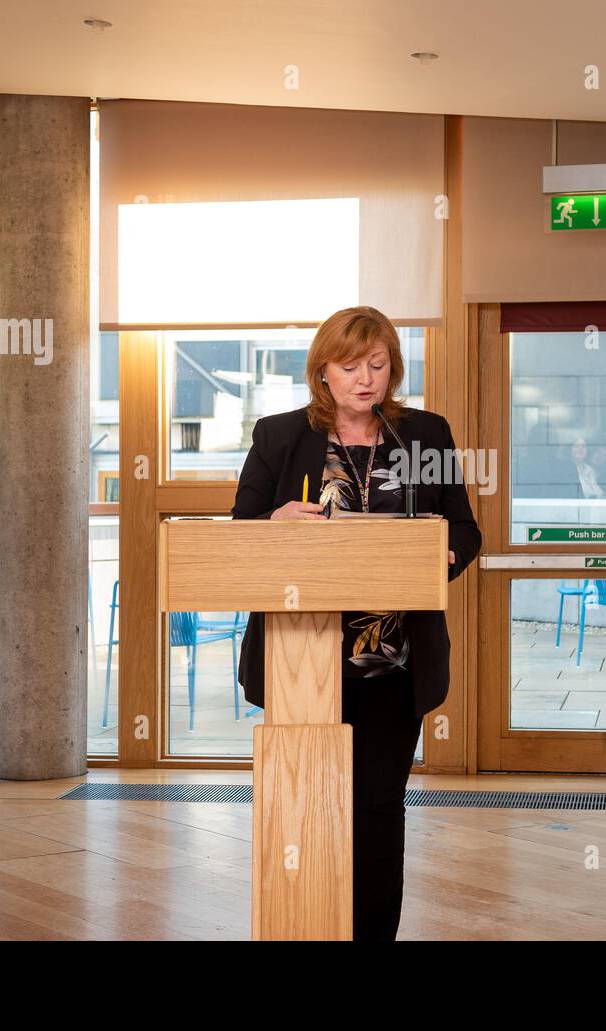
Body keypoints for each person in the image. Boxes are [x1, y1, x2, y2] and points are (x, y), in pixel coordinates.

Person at [231, 305, 481, 941]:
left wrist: (442, 552)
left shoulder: (425, 435)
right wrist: (274, 525)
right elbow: (241, 535)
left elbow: (466, 529)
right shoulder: (279, 436)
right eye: (351, 367)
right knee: (307, 809)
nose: (366, 379)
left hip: (394, 665)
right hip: (303, 661)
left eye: (378, 365)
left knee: (377, 810)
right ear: (323, 372)